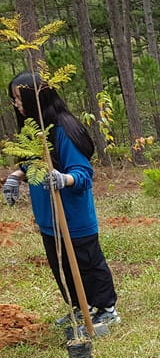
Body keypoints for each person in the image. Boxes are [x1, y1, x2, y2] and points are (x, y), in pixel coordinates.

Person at [3, 72, 120, 333]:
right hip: (48, 218)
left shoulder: (63, 130)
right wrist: (15, 176)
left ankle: (106, 310)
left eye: (19, 99)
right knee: (62, 265)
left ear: (37, 98)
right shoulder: (35, 130)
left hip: (73, 218)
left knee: (88, 264)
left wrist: (62, 178)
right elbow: (32, 163)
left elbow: (82, 174)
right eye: (13, 100)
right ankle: (81, 307)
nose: (16, 105)